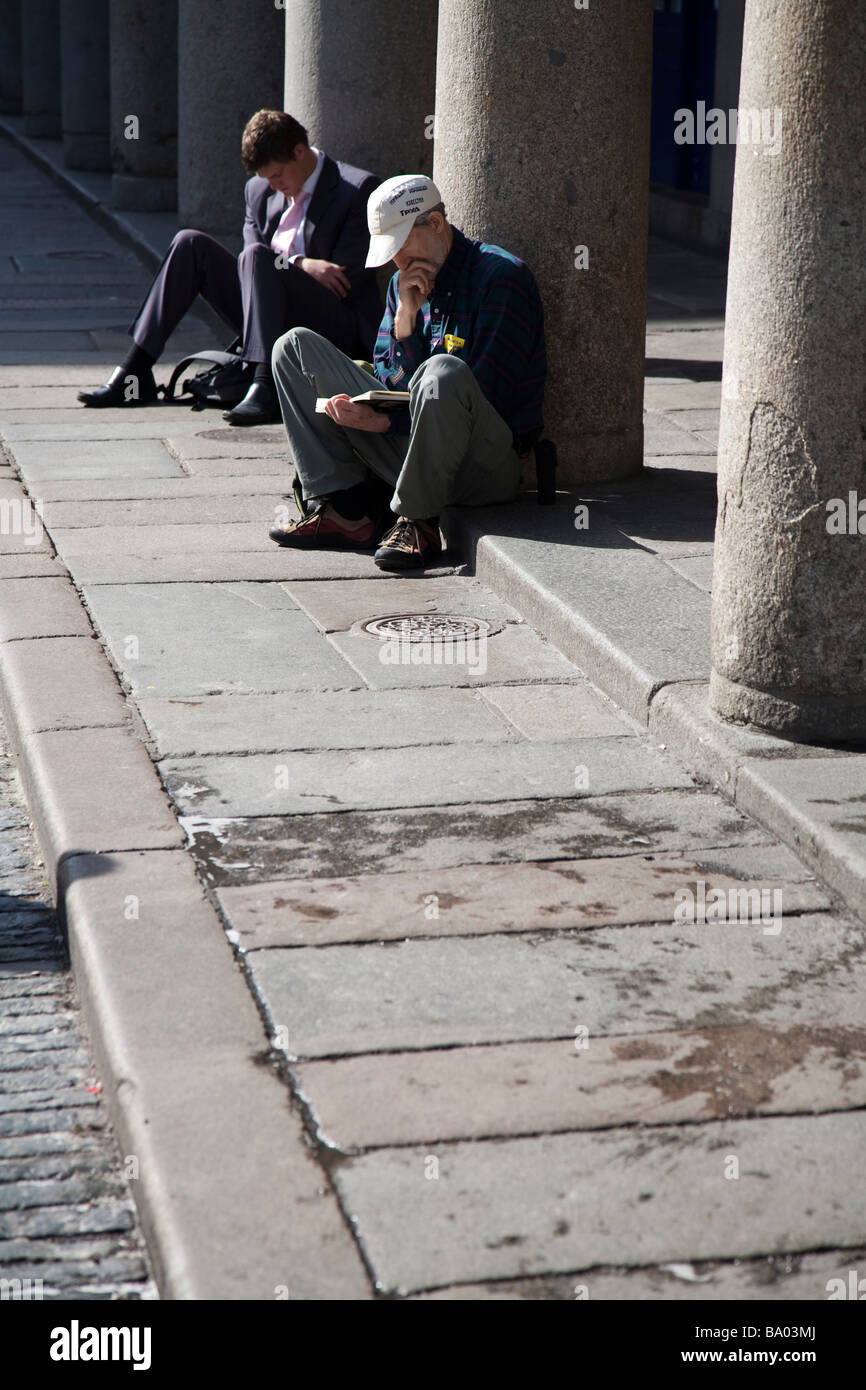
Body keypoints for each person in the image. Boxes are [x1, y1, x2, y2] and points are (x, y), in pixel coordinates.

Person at [267, 174, 547, 570]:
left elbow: (487, 399)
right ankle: (346, 511)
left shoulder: (502, 279)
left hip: (483, 466)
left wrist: (385, 426)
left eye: (400, 246)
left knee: (443, 371)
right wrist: (405, 320)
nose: (397, 261)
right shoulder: (404, 283)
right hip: (415, 446)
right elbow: (390, 385)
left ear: (435, 225)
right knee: (292, 347)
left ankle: (419, 521)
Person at [77, 110, 380, 426]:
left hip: (332, 324)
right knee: (189, 243)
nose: (274, 186)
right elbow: (252, 259)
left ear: (299, 153)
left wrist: (290, 269)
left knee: (257, 258)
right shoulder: (259, 191)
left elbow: (348, 277)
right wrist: (300, 263)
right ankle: (136, 369)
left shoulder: (356, 190)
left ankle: (266, 383)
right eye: (267, 179)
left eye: (278, 175)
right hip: (267, 312)